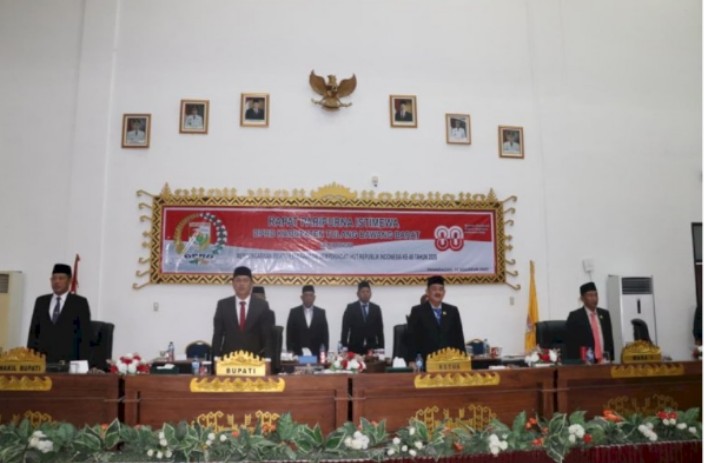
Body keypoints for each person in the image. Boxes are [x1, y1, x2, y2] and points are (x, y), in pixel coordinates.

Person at [27, 263, 91, 363]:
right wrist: (30, 359)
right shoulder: (41, 302)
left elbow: (85, 336)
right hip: (43, 361)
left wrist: (82, 364)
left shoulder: (79, 303)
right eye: (54, 278)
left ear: (69, 281)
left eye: (61, 278)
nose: (57, 282)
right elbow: (33, 333)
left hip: (68, 362)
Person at [211, 266, 273, 358]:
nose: (241, 284)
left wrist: (268, 360)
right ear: (233, 283)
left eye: (245, 280)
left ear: (251, 283)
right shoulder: (223, 305)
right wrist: (215, 358)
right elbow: (217, 335)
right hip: (229, 358)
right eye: (238, 280)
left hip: (254, 358)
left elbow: (267, 337)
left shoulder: (262, 305)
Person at [406, 275, 465, 369]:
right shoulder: (418, 311)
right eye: (434, 289)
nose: (438, 292)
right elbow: (411, 339)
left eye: (441, 289)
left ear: (444, 293)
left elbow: (459, 338)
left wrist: (463, 359)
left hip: (449, 364)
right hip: (425, 363)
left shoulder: (452, 311)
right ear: (427, 292)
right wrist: (411, 360)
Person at [565, 282, 615, 363]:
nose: (594, 298)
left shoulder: (605, 314)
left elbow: (609, 339)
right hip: (586, 363)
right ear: (582, 298)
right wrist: (577, 362)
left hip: (604, 361)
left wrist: (611, 359)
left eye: (596, 295)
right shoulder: (575, 316)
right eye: (590, 295)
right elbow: (571, 344)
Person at [340, 281, 384, 355]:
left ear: (371, 294)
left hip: (371, 348)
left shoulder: (376, 309)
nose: (365, 294)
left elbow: (380, 330)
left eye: (367, 291)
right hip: (354, 348)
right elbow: (345, 329)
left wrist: (381, 348)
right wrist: (344, 346)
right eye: (363, 292)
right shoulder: (351, 308)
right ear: (358, 294)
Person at [286, 285, 329, 356]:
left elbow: (325, 335)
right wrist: (290, 350)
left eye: (311, 295)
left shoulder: (321, 313)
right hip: (298, 353)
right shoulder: (294, 312)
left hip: (316, 354)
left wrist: (325, 352)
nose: (308, 298)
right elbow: (289, 334)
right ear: (301, 297)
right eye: (306, 295)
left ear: (314, 297)